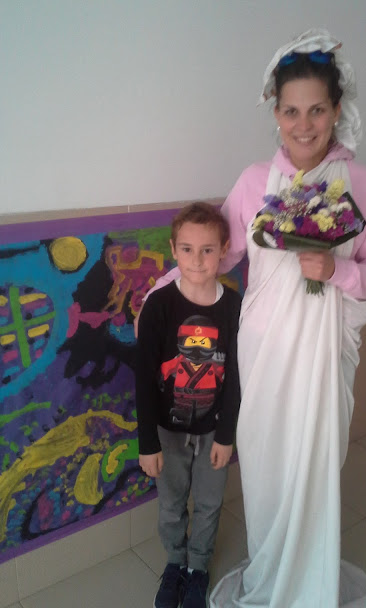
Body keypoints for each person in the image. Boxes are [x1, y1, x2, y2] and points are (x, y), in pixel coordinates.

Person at [140, 28, 366, 607]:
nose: (303, 125)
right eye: (291, 111)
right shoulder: (255, 181)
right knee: (264, 470)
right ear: (275, 113)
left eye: (317, 110)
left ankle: (308, 581)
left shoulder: (363, 185)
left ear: (337, 110)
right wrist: (159, 294)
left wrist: (336, 271)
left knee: (315, 467)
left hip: (324, 355)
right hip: (262, 352)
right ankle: (271, 570)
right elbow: (218, 255)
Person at [135, 202, 241, 608]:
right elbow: (145, 379)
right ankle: (175, 562)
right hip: (168, 431)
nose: (197, 260)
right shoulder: (159, 305)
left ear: (224, 250)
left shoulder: (234, 307)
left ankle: (198, 567)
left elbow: (237, 376)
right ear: (173, 250)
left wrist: (226, 435)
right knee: (171, 502)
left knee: (210, 503)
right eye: (187, 249)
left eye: (208, 250)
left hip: (213, 430)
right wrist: (148, 442)